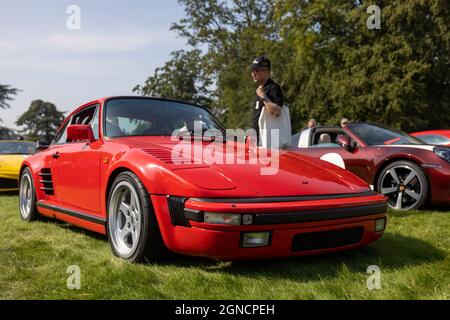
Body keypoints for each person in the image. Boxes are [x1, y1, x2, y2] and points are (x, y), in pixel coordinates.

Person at [251, 55, 284, 146]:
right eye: (252, 71)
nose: (253, 73)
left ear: (265, 71)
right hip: (259, 141)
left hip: (270, 142)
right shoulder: (261, 89)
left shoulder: (273, 88)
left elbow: (277, 111)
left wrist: (263, 96)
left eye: (256, 70)